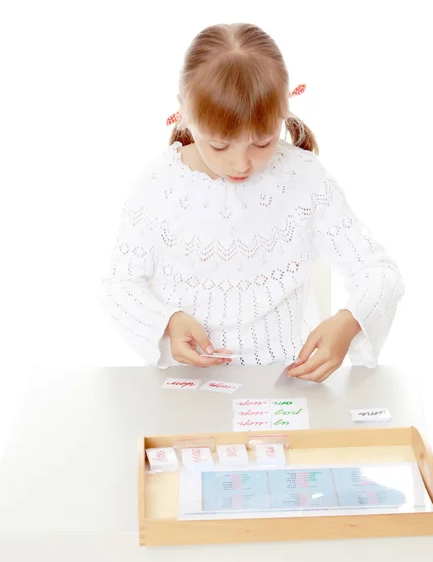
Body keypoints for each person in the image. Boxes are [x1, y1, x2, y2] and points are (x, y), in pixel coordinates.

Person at [101, 22, 404, 383]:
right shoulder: (157, 186)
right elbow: (120, 284)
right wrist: (165, 322)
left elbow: (379, 271)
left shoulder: (303, 178)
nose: (241, 164)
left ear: (283, 113)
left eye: (262, 142)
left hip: (285, 385)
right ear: (183, 111)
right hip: (185, 391)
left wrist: (350, 321)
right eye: (219, 145)